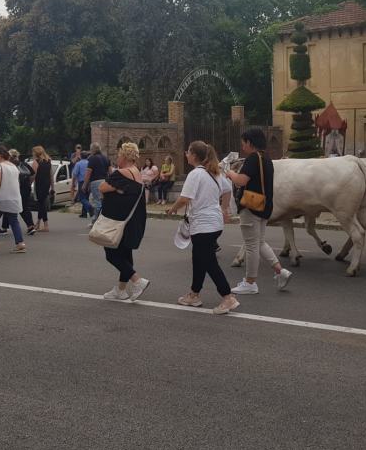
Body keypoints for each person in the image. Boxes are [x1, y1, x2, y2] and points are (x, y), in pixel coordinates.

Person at [166, 141, 239, 315]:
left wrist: (172, 209)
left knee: (208, 261)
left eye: (188, 152)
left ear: (194, 155)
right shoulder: (214, 173)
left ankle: (228, 297)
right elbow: (228, 189)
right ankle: (194, 294)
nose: (186, 154)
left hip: (203, 225)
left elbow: (184, 198)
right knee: (198, 259)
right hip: (213, 223)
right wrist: (224, 208)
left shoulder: (195, 174)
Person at [226, 128, 292, 294]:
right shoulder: (266, 159)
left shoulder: (253, 159)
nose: (242, 147)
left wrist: (230, 173)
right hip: (264, 206)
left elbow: (241, 181)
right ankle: (280, 271)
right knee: (259, 242)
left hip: (251, 206)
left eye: (243, 143)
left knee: (251, 246)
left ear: (250, 142)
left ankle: (250, 282)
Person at [98, 142, 149, 301]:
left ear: (125, 156)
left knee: (111, 254)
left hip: (120, 221)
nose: (117, 158)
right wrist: (117, 189)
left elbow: (102, 187)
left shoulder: (121, 173)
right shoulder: (137, 172)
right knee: (125, 254)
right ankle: (120, 290)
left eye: (119, 155)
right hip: (133, 219)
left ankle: (137, 280)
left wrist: (114, 189)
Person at [9, 149, 37, 235]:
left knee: (11, 208)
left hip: (16, 189)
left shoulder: (10, 165)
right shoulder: (24, 164)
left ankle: (4, 227)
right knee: (25, 207)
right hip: (26, 188)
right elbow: (33, 173)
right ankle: (31, 225)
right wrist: (29, 182)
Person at [84, 142, 110, 226]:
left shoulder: (92, 158)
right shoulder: (106, 158)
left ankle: (96, 221)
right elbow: (111, 171)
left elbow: (88, 172)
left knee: (97, 202)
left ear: (93, 149)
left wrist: (85, 184)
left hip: (96, 181)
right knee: (103, 201)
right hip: (105, 181)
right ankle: (101, 220)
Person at [30, 146, 52, 232]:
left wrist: (29, 183)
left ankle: (46, 225)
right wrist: (52, 187)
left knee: (41, 204)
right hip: (46, 184)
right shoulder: (48, 161)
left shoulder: (36, 162)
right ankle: (38, 223)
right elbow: (51, 175)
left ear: (36, 153)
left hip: (39, 184)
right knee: (41, 203)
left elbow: (33, 175)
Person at [70, 150, 93, 218]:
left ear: (80, 156)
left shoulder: (78, 164)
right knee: (86, 197)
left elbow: (75, 174)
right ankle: (84, 213)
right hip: (89, 182)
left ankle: (90, 208)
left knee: (81, 198)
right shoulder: (89, 163)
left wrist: (73, 183)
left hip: (82, 182)